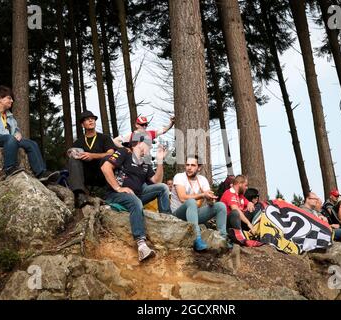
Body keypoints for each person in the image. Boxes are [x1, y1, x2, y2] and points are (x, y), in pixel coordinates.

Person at [100, 131, 170, 262]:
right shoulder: (124, 152)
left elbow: (156, 181)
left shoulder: (146, 161)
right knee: (136, 201)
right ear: (138, 143)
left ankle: (168, 220)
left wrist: (160, 161)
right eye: (148, 144)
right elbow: (105, 167)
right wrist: (118, 188)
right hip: (116, 194)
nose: (150, 148)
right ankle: (141, 246)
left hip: (137, 195)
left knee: (163, 188)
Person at [0, 86, 59, 184]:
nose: (11, 101)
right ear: (0, 98)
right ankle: (9, 168)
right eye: (9, 98)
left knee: (31, 143)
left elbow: (15, 130)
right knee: (10, 138)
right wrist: (9, 134)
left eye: (12, 99)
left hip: (8, 140)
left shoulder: (9, 116)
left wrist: (17, 133)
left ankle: (41, 173)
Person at [170, 155, 228, 251]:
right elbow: (182, 198)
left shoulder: (202, 179)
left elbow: (208, 199)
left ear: (199, 168)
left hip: (194, 214)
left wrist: (210, 199)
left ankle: (223, 238)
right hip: (178, 214)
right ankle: (197, 238)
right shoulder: (179, 177)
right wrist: (202, 195)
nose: (189, 167)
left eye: (193, 165)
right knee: (191, 202)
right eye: (187, 165)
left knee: (220, 206)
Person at [68, 110, 117, 208]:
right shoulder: (78, 142)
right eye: (87, 119)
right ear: (82, 124)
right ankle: (79, 195)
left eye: (93, 119)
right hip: (86, 174)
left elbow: (111, 153)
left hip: (102, 173)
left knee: (107, 158)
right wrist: (71, 153)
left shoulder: (104, 138)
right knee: (73, 159)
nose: (91, 121)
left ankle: (111, 194)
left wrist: (92, 156)